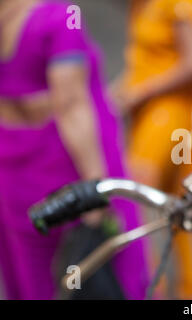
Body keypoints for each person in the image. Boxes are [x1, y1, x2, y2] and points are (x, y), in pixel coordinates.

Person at [0, 0, 149, 299]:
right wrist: (96, 190)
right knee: (107, 268)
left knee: (35, 279)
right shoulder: (63, 15)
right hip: (66, 169)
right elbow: (71, 105)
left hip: (12, 170)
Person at [111, 0, 192, 299]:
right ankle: (184, 291)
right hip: (151, 113)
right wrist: (117, 93)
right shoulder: (142, 4)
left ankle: (149, 289)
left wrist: (141, 91)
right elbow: (147, 59)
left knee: (135, 201)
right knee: (178, 209)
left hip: (170, 114)